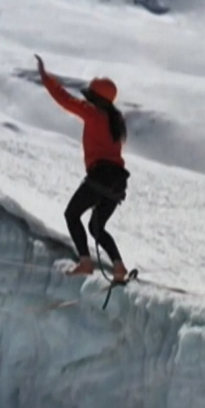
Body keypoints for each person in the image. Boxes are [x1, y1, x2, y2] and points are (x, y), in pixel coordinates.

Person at [35, 54, 130, 282]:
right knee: (97, 228)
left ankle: (85, 263)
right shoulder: (115, 122)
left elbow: (64, 99)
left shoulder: (94, 114)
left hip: (100, 176)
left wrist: (45, 77)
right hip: (118, 181)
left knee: (72, 214)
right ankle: (118, 268)